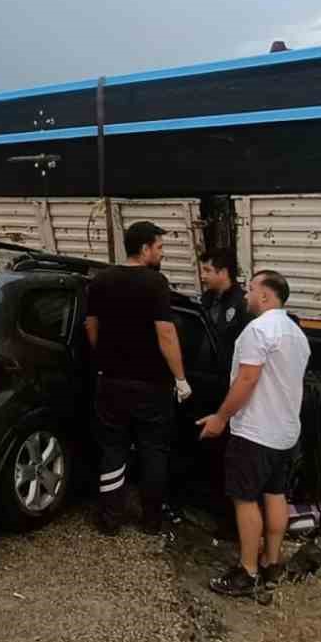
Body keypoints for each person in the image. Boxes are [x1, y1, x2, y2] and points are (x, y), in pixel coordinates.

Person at [198, 270, 311, 595]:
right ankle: (272, 564)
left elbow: (247, 380)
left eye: (250, 290)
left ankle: (247, 572)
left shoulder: (258, 330)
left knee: (245, 499)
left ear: (265, 296)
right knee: (276, 495)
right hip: (286, 432)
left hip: (255, 432)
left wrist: (220, 417)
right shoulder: (295, 333)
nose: (246, 296)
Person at [85, 220, 192, 536]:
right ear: (145, 248)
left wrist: (104, 357)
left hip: (111, 382)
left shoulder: (101, 280)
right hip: (151, 385)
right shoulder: (155, 283)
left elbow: (91, 325)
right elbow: (166, 333)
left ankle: (109, 518)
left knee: (112, 448)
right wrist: (181, 379)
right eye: (159, 247)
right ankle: (151, 520)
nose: (162, 254)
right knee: (153, 450)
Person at [199, 248, 250, 358]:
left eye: (207, 271)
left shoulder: (243, 302)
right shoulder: (206, 299)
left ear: (223, 272)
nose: (202, 276)